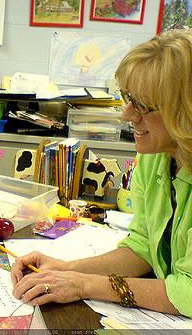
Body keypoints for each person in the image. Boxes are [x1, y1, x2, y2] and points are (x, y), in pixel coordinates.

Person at [11, 30, 191, 318]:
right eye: (128, 98)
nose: (127, 115)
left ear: (185, 110)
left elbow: (189, 292)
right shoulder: (156, 157)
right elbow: (142, 247)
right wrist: (64, 269)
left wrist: (84, 284)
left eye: (143, 105)